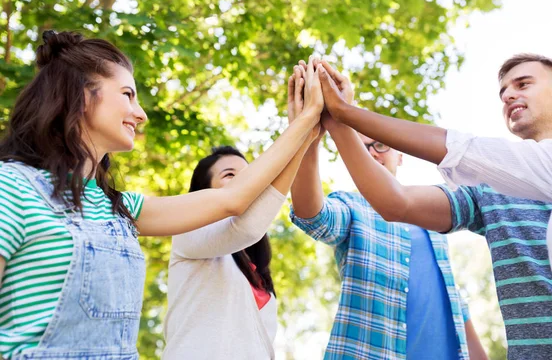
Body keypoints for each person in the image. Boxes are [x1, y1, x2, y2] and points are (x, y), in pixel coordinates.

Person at [318, 0, 552, 360]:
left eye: (523, 83)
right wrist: (341, 122)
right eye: (503, 92)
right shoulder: (491, 191)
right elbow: (396, 201)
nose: (509, 96)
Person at [0, 31, 323, 359]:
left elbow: (236, 202)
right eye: (128, 94)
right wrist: (306, 120)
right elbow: (235, 203)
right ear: (81, 96)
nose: (141, 114)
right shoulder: (12, 187)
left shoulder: (124, 208)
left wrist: (305, 128)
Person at [289, 63, 486, 360]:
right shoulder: (352, 207)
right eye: (361, 145)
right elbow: (312, 216)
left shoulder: (434, 215)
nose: (371, 153)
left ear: (400, 154)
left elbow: (454, 299)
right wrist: (307, 135)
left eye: (380, 144)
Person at [164, 71, 320, 360]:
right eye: (229, 175)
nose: (244, 182)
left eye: (249, 175)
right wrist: (302, 126)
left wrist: (307, 137)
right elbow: (245, 228)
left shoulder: (256, 272)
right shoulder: (188, 233)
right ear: (203, 191)